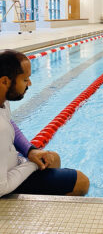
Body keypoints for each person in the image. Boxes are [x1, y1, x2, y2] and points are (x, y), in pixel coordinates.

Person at [0, 49, 89, 197]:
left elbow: (8, 121)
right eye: (24, 79)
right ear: (4, 81)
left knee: (52, 158)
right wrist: (32, 164)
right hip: (7, 185)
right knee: (81, 182)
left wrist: (30, 151)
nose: (30, 83)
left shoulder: (3, 99)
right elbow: (1, 187)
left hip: (11, 166)